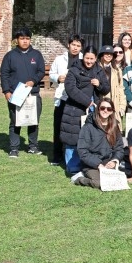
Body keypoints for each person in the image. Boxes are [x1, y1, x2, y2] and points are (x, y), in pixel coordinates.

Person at [60, 46, 109, 174]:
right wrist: (87, 101)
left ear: (96, 58)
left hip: (95, 110)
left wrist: (99, 85)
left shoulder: (99, 71)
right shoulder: (74, 70)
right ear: (83, 57)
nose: (89, 61)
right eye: (87, 58)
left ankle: (90, 163)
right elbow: (70, 89)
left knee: (91, 138)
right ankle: (72, 166)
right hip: (75, 109)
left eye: (92, 59)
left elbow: (106, 89)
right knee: (73, 138)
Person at [0, 27, 46, 158]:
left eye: (27, 38)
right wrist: (6, 91)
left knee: (33, 120)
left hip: (33, 94)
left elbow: (41, 71)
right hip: (16, 94)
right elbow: (4, 74)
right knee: (15, 121)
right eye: (22, 38)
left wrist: (33, 81)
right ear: (17, 40)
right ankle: (14, 148)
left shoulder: (36, 55)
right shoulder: (10, 56)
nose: (25, 41)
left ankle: (33, 146)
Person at [71, 98, 125, 188]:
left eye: (109, 109)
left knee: (118, 181)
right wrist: (98, 164)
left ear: (112, 111)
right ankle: (80, 178)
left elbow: (119, 148)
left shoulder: (114, 127)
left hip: (108, 163)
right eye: (102, 108)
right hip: (91, 165)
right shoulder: (88, 127)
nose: (105, 111)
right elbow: (82, 151)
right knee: (100, 183)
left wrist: (114, 161)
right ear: (98, 109)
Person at [49, 34, 82, 165]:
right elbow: (51, 74)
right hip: (61, 96)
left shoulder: (83, 59)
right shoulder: (59, 59)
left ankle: (75, 155)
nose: (75, 48)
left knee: (75, 127)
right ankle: (57, 156)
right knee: (58, 126)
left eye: (78, 46)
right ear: (68, 45)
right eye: (73, 45)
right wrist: (57, 77)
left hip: (77, 97)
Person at [99, 45, 127, 126]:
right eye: (106, 53)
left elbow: (121, 89)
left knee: (113, 130)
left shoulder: (117, 70)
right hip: (101, 103)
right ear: (102, 55)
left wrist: (122, 105)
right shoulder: (97, 68)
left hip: (114, 104)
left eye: (110, 54)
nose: (108, 56)